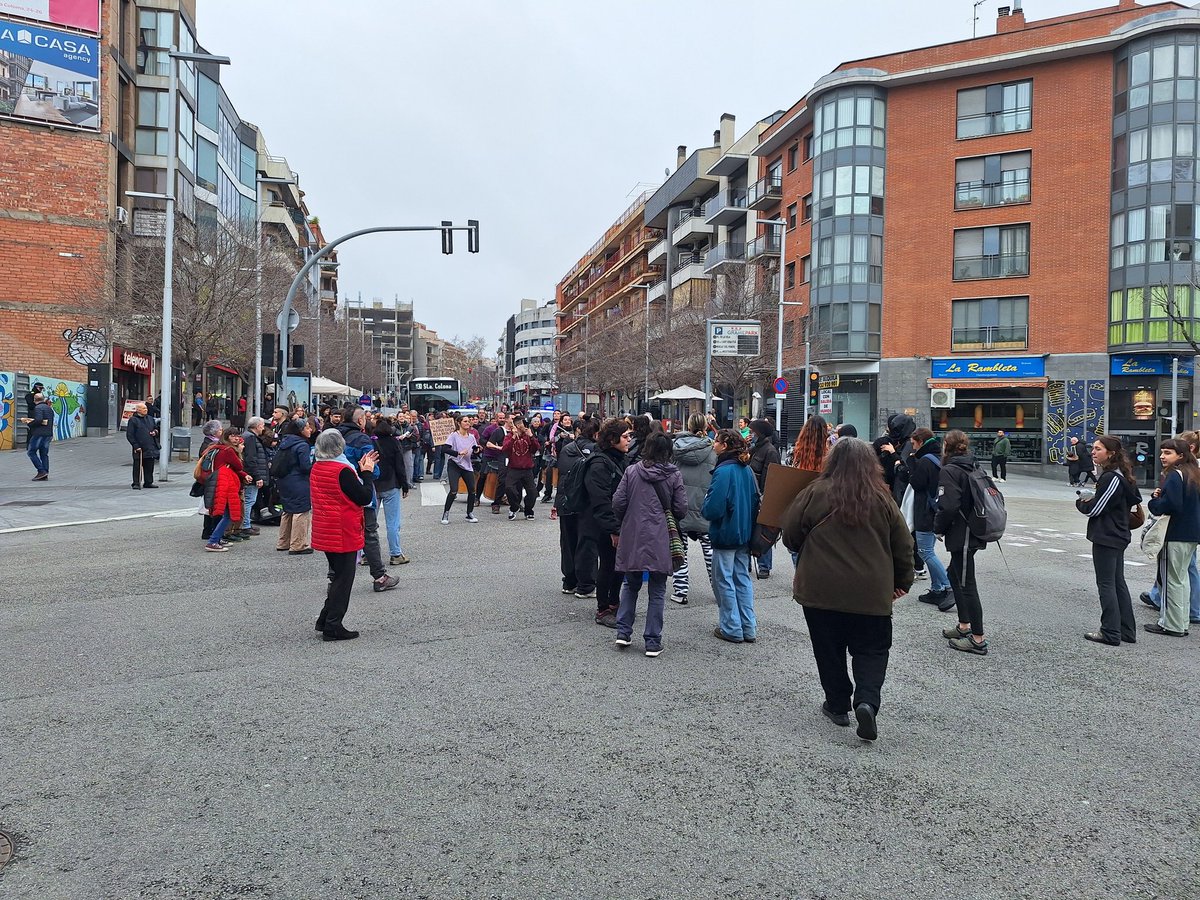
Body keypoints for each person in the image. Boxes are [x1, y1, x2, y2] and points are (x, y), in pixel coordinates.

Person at [782, 438, 914, 741]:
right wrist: (902, 582)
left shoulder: (814, 492)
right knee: (872, 649)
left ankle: (837, 703)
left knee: (827, 648)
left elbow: (790, 534)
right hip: (871, 591)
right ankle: (867, 700)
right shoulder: (882, 498)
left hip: (820, 588)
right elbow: (903, 545)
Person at [611, 432, 688, 657]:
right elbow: (681, 508)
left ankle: (623, 631)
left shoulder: (632, 471)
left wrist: (628, 518)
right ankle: (652, 641)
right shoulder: (674, 475)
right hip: (661, 534)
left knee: (630, 583)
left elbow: (618, 502)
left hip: (633, 532)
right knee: (657, 590)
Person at [310, 428, 379, 642]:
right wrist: (366, 473)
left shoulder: (318, 466)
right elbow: (364, 497)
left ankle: (325, 618)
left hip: (326, 527)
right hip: (342, 529)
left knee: (338, 575)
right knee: (344, 580)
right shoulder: (342, 470)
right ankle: (333, 625)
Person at [1076, 436, 1142, 646]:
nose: (1093, 452)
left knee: (1106, 584)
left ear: (1111, 453)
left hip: (1108, 535)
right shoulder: (1122, 474)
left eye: (1098, 449)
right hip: (1118, 533)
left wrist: (1081, 503)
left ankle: (1110, 632)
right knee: (1117, 582)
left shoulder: (1111, 477)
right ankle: (1126, 630)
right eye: (1093, 448)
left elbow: (1095, 509)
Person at [934, 430, 989, 655]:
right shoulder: (974, 466)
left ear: (946, 445)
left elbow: (948, 506)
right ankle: (964, 625)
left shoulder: (950, 470)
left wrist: (938, 528)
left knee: (967, 584)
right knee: (955, 576)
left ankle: (978, 639)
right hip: (974, 529)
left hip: (962, 533)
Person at [703, 429, 760, 643]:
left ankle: (731, 627)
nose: (713, 444)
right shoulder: (747, 469)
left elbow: (713, 508)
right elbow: (755, 501)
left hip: (725, 532)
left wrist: (704, 507)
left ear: (724, 445)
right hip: (744, 532)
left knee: (724, 580)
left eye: (716, 441)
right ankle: (748, 626)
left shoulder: (723, 471)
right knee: (742, 579)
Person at [1140, 431, 1200, 626]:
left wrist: (1155, 502)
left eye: (1167, 453)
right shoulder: (1193, 474)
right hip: (1191, 534)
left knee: (1171, 581)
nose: (1162, 456)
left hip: (1175, 533)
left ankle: (1171, 624)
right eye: (1162, 452)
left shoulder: (1175, 474)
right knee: (1181, 580)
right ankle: (1181, 622)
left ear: (1180, 455)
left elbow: (1172, 505)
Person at [337, 409, 399, 593]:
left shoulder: (333, 436)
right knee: (369, 533)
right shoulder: (362, 439)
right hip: (360, 489)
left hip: (338, 491)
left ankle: (334, 579)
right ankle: (379, 577)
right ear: (360, 421)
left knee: (340, 534)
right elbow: (372, 469)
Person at [578, 418, 631, 627]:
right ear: (612, 439)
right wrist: (613, 529)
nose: (629, 440)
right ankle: (603, 609)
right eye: (625, 436)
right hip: (603, 524)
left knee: (619, 565)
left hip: (617, 522)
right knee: (608, 565)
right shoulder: (599, 464)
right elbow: (600, 500)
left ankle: (614, 603)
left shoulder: (620, 459)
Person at [671, 414, 717, 605]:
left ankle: (680, 591)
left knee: (679, 549)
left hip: (679, 506)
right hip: (703, 506)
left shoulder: (675, 448)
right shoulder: (713, 450)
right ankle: (719, 590)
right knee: (710, 551)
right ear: (705, 427)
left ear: (688, 426)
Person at [908, 428, 954, 611]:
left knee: (925, 551)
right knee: (928, 550)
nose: (913, 447)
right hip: (936, 511)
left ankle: (949, 587)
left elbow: (916, 483)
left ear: (920, 441)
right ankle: (936, 589)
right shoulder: (940, 457)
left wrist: (911, 463)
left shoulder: (925, 461)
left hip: (925, 512)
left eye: (913, 443)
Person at [556, 416, 598, 594]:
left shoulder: (567, 448)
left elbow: (561, 473)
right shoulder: (595, 450)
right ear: (595, 433)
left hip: (565, 500)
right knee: (586, 543)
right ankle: (586, 584)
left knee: (568, 541)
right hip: (585, 502)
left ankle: (569, 581)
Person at [203, 428, 253, 551]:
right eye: (233, 436)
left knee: (221, 512)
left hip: (217, 482)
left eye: (237, 436)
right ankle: (213, 541)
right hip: (225, 485)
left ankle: (218, 539)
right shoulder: (229, 450)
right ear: (227, 437)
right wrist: (238, 452)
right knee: (228, 514)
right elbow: (238, 466)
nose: (236, 438)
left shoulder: (217, 448)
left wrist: (243, 474)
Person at [373, 417, 412, 565]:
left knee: (370, 522)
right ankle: (395, 554)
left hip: (374, 484)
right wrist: (405, 485)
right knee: (393, 522)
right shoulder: (394, 443)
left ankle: (367, 554)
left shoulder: (371, 443)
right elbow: (400, 466)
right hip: (391, 483)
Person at [274, 419, 314, 554]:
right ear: (300, 430)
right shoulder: (302, 445)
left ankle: (283, 542)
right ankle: (298, 544)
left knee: (288, 510)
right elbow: (305, 467)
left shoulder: (285, 442)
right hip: (298, 480)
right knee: (301, 511)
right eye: (307, 428)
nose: (310, 430)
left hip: (284, 479)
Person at [748, 419, 781, 579]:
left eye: (752, 432)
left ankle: (764, 565)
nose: (750, 435)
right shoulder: (753, 449)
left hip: (762, 495)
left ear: (759, 433)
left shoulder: (770, 451)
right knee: (749, 529)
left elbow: (771, 477)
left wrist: (765, 496)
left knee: (762, 532)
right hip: (751, 494)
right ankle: (748, 562)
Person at [441, 413, 480, 525]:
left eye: (469, 421)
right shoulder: (454, 435)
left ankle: (469, 513)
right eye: (465, 421)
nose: (468, 423)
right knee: (454, 490)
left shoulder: (471, 437)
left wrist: (477, 450)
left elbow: (474, 449)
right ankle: (446, 513)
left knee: (472, 490)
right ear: (459, 423)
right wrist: (458, 453)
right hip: (454, 464)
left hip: (467, 465)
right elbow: (445, 449)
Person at [502, 416, 541, 520]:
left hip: (527, 469)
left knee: (532, 492)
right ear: (517, 425)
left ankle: (529, 510)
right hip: (514, 468)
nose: (524, 426)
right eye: (521, 424)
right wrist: (514, 437)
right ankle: (514, 507)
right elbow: (505, 449)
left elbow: (536, 449)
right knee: (509, 488)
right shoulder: (509, 436)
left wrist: (531, 437)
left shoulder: (528, 436)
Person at [239, 417, 270, 537]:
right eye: (262, 425)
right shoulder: (251, 438)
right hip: (251, 475)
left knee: (248, 499)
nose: (263, 428)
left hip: (249, 473)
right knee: (249, 500)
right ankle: (245, 525)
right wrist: (257, 476)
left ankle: (245, 524)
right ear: (257, 426)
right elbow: (251, 458)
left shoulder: (248, 436)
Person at [125, 402, 160, 489]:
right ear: (138, 410)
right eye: (143, 409)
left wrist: (155, 432)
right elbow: (130, 435)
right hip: (139, 447)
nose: (146, 410)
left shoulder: (150, 418)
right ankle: (136, 483)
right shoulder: (133, 420)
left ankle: (148, 482)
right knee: (138, 465)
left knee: (149, 465)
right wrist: (135, 445)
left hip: (150, 445)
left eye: (146, 408)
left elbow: (156, 428)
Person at [22, 392, 53, 481]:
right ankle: (45, 472)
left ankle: (41, 471)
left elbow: (39, 420)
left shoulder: (38, 408)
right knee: (44, 453)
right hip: (48, 434)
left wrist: (30, 423)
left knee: (31, 452)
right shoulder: (48, 408)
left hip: (39, 434)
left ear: (35, 400)